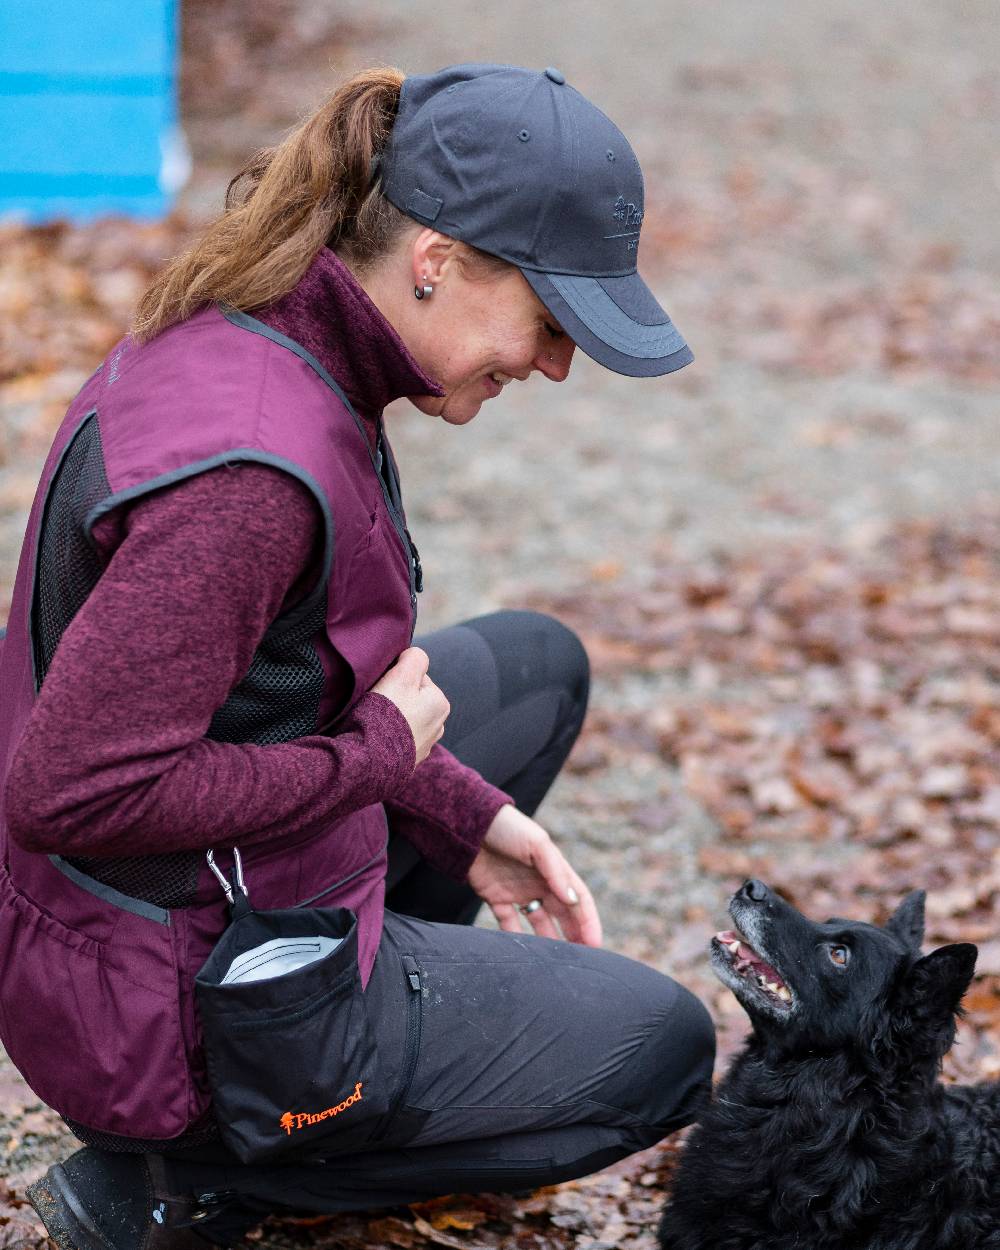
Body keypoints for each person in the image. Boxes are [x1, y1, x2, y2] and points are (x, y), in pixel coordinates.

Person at [0, 63, 713, 1249]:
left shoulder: (269, 323)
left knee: (534, 668)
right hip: (154, 999)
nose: (554, 365)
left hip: (150, 908)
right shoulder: (248, 479)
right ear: (436, 257)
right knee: (660, 1048)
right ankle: (201, 1173)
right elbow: (71, 787)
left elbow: (277, 682)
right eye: (552, 319)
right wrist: (378, 758)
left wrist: (450, 801)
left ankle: (353, 1021)